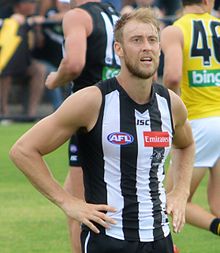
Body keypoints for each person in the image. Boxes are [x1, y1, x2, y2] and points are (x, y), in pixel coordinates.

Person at [10, 7, 195, 253]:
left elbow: (186, 144)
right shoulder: (92, 101)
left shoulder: (171, 104)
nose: (146, 47)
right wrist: (68, 203)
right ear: (118, 49)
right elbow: (23, 150)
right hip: (108, 240)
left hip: (160, 239)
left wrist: (181, 191)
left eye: (152, 40)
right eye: (136, 40)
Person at [45, 0, 120, 252]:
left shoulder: (77, 15)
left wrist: (54, 80)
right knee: (77, 200)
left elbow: (74, 64)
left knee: (83, 210)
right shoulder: (115, 14)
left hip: (90, 118)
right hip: (121, 114)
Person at [161, 0, 220, 238]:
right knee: (217, 205)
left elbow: (173, 77)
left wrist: (173, 115)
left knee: (166, 198)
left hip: (199, 122)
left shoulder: (174, 30)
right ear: (207, 1)